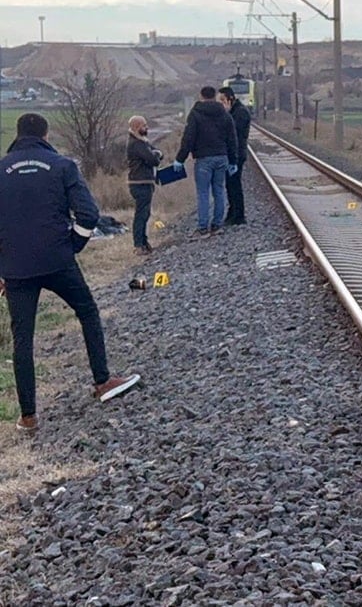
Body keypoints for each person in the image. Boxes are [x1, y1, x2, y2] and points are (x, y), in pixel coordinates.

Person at [0, 113, 141, 432]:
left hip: (16, 268)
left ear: (17, 136)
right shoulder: (63, 166)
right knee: (88, 312)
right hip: (57, 260)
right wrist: (73, 245)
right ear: (45, 135)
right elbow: (89, 214)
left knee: (23, 340)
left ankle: (29, 417)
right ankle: (102, 381)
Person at [173, 85, 237, 237]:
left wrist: (179, 159)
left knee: (203, 193)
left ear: (201, 96)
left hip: (203, 159)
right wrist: (233, 160)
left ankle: (202, 227)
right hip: (221, 157)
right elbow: (232, 139)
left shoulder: (195, 114)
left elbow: (188, 138)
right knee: (219, 191)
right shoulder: (225, 114)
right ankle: (217, 225)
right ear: (214, 96)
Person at [126, 115, 162, 255]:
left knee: (145, 213)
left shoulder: (142, 142)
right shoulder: (136, 144)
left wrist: (156, 154)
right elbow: (153, 159)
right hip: (139, 183)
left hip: (145, 182)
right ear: (136, 127)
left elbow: (156, 154)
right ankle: (138, 245)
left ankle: (144, 242)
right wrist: (156, 155)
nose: (146, 128)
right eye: (144, 125)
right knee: (141, 214)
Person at [219, 86, 252, 226]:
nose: (220, 103)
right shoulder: (234, 111)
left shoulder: (240, 113)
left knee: (234, 185)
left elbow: (234, 134)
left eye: (222, 100)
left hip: (237, 154)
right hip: (232, 154)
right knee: (230, 185)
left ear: (230, 99)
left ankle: (238, 215)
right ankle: (233, 213)